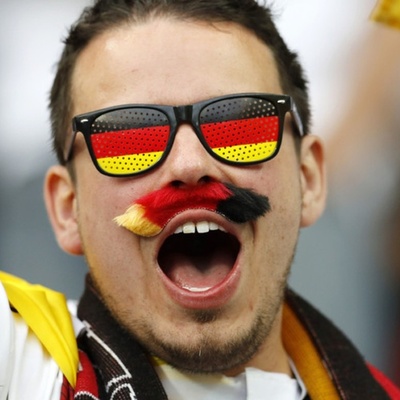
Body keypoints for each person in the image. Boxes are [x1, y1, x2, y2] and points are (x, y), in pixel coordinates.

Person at [1, 0, 399, 399]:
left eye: (238, 126)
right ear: (67, 210)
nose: (190, 165)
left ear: (308, 179)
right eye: (130, 138)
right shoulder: (21, 366)